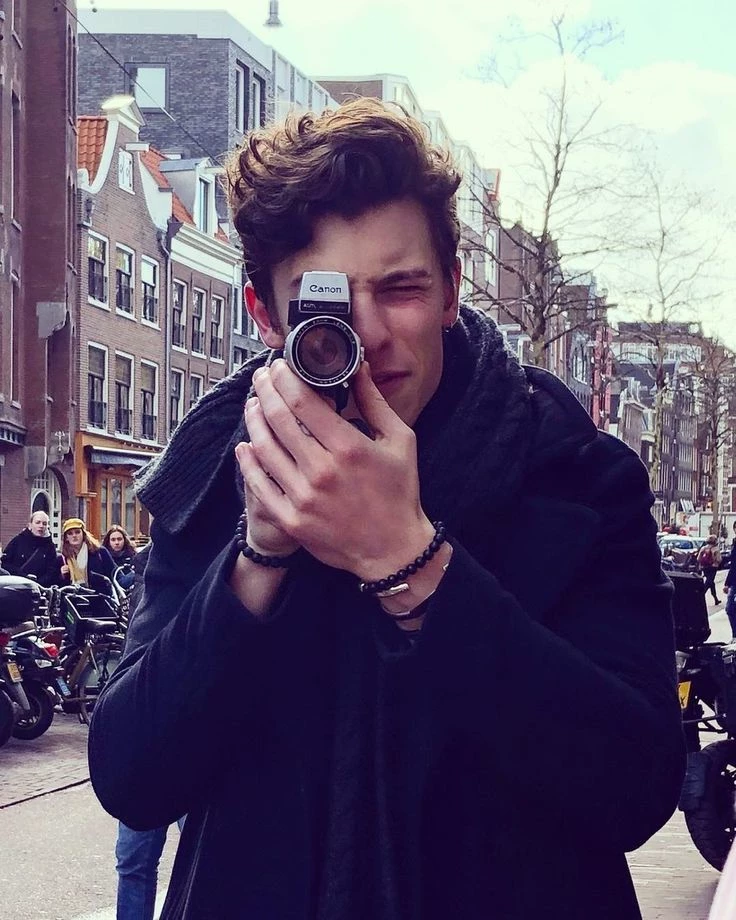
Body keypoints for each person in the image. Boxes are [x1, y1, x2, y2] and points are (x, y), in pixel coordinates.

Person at [89, 99, 685, 920]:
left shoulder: (574, 473)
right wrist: (258, 557)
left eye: (400, 288)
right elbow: (133, 778)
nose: (364, 334)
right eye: (325, 302)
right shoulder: (222, 468)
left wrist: (411, 562)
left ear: (451, 291)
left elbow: (636, 787)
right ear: (264, 314)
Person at [114, 544, 185, 920]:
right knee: (133, 862)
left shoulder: (228, 560)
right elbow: (136, 647)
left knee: (211, 858)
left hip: (199, 739)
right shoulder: (148, 564)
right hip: (146, 737)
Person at [1, 511, 62, 587]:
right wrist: (23, 576)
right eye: (38, 522)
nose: (41, 526)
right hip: (16, 586)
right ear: (30, 525)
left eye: (44, 523)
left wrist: (38, 583)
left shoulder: (50, 546)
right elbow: (5, 563)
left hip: (39, 589)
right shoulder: (18, 541)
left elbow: (52, 570)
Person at [60, 518, 115, 591]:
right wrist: (62, 575)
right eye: (70, 533)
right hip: (73, 596)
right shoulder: (62, 558)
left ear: (83, 534)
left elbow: (114, 575)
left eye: (77, 532)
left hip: (99, 596)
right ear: (66, 538)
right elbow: (58, 585)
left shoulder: (100, 552)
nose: (74, 536)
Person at [103, 525, 137, 591]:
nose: (117, 543)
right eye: (113, 540)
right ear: (108, 542)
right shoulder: (104, 557)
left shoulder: (133, 554)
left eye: (119, 539)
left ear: (124, 540)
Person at [698, 535, 722, 605]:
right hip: (713, 567)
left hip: (704, 567)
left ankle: (716, 599)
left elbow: (698, 559)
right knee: (709, 582)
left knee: (711, 583)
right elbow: (719, 559)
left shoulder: (703, 548)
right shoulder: (716, 549)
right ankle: (700, 595)